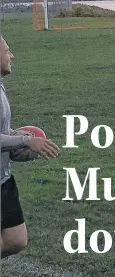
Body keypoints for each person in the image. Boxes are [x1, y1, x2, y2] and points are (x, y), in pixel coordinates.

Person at [0, 36, 60, 258]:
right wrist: (25, 141)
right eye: (7, 51)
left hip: (4, 179)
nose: (11, 56)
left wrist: (15, 136)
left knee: (16, 240)